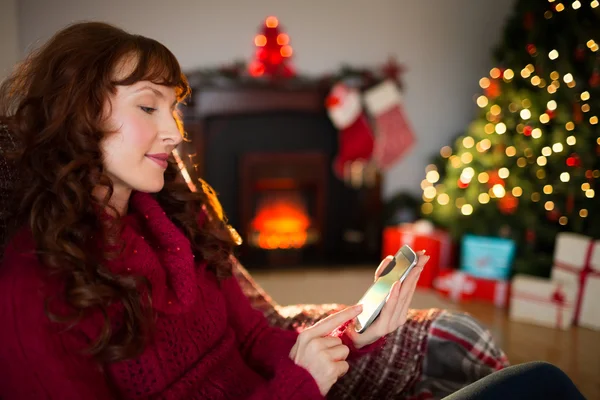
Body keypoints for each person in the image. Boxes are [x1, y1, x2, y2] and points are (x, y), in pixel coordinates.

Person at [0, 22, 585, 400]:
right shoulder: (32, 288)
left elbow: (256, 336)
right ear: (75, 112)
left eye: (175, 109)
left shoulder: (178, 219)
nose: (174, 133)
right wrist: (298, 383)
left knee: (536, 383)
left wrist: (353, 338)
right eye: (147, 106)